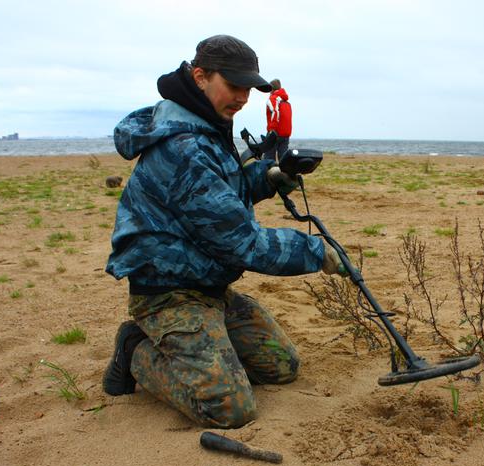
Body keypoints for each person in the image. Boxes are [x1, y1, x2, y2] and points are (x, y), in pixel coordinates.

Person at [102, 35, 346, 429]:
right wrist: (316, 252)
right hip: (168, 293)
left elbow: (221, 194)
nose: (242, 97)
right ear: (200, 77)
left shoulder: (206, 125)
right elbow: (244, 243)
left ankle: (208, 343)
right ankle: (134, 351)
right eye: (234, 86)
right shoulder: (183, 148)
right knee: (229, 408)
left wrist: (266, 178)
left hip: (209, 285)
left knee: (281, 366)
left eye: (248, 88)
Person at [263, 78, 292, 162]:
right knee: (283, 160)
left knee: (268, 159)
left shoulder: (273, 99)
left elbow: (275, 112)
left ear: (271, 88)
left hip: (275, 133)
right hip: (285, 134)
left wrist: (272, 131)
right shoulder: (286, 101)